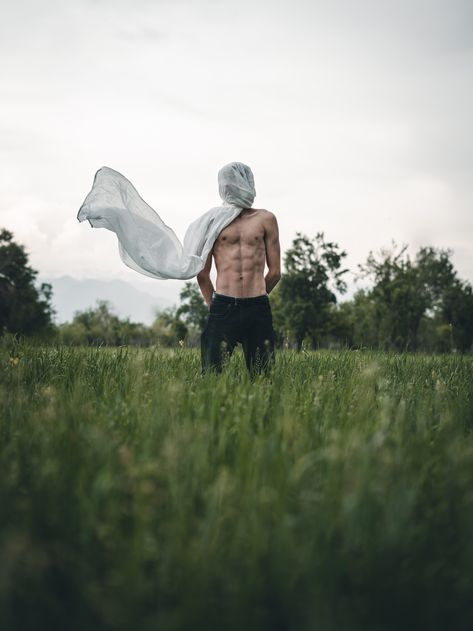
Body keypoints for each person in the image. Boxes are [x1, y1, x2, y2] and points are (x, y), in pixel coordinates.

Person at [197, 165, 281, 375]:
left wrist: (257, 297)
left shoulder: (266, 219)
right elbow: (202, 273)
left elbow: (275, 271)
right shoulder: (213, 221)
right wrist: (214, 305)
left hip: (258, 307)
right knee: (211, 375)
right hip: (223, 305)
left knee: (263, 376)